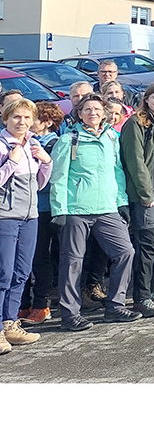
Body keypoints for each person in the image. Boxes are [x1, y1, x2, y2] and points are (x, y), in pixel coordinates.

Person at [48, 93, 139, 331]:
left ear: (104, 113)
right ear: (79, 113)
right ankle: (70, 314)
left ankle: (116, 306)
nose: (93, 114)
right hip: (77, 210)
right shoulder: (69, 140)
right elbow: (58, 178)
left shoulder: (111, 137)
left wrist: (121, 202)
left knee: (125, 252)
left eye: (97, 110)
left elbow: (117, 171)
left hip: (107, 208)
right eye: (87, 110)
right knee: (72, 262)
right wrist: (60, 210)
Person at [118, 82, 154, 317]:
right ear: (146, 98)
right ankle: (140, 297)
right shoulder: (136, 122)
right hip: (147, 191)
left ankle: (150, 290)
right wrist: (145, 192)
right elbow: (135, 160)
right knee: (146, 243)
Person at [1, 98, 51, 351]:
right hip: (5, 217)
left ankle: (11, 324)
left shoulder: (33, 144)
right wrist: (11, 161)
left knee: (21, 273)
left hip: (30, 216)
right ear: (6, 119)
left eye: (27, 118)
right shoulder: (2, 145)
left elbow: (39, 184)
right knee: (4, 273)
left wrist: (46, 161)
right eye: (16, 117)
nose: (22, 122)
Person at [17, 102, 62, 324]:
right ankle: (22, 305)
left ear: (47, 123)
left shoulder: (53, 144)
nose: (28, 123)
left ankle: (42, 305)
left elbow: (49, 180)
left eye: (34, 119)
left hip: (45, 208)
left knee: (40, 258)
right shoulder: (27, 142)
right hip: (27, 208)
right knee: (26, 258)